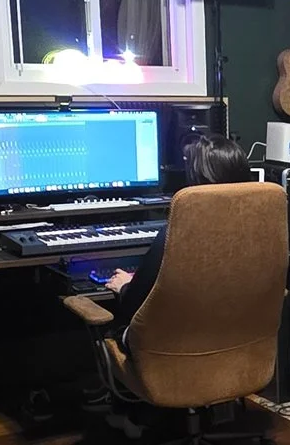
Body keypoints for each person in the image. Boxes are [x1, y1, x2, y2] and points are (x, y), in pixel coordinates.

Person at [105, 134, 251, 322]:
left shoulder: (176, 235)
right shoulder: (260, 230)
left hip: (172, 337)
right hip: (241, 335)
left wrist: (125, 286)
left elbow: (135, 304)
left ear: (195, 182)